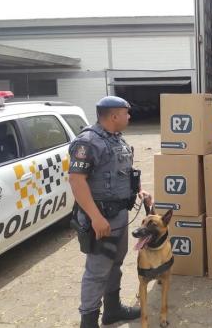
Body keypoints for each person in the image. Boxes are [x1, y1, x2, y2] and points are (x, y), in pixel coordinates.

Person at [69, 96, 152, 328]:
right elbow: (76, 181)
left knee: (115, 263)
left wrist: (140, 191)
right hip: (100, 217)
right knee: (97, 271)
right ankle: (88, 321)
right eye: (126, 113)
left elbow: (123, 171)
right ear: (114, 116)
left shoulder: (116, 139)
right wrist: (95, 217)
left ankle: (112, 310)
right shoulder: (88, 142)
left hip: (118, 215)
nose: (129, 117)